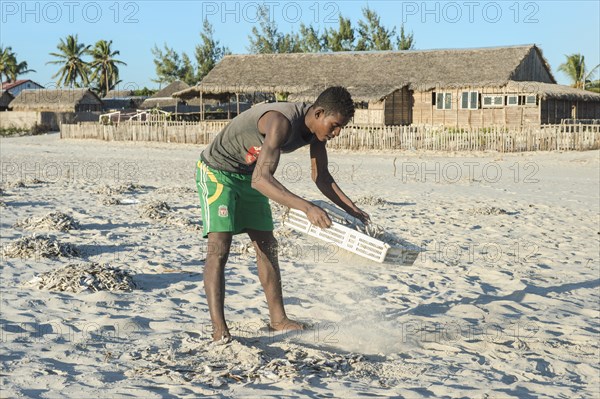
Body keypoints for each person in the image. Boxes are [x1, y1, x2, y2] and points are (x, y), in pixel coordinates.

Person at [195, 86, 370, 341]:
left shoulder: (315, 134)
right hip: (218, 171)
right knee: (219, 246)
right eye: (334, 126)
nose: (336, 133)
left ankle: (279, 320)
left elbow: (321, 177)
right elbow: (262, 179)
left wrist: (353, 210)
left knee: (267, 244)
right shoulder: (281, 121)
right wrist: (307, 207)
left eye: (340, 128)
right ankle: (219, 330)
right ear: (319, 113)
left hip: (250, 174)